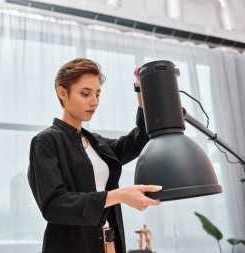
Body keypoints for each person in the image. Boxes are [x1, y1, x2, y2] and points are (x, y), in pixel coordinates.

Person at [28, 58, 162, 253]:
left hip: (109, 244)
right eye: (85, 93)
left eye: (98, 94)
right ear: (62, 92)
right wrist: (120, 195)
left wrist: (140, 91)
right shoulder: (46, 142)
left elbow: (139, 140)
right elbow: (54, 204)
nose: (94, 101)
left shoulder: (97, 143)